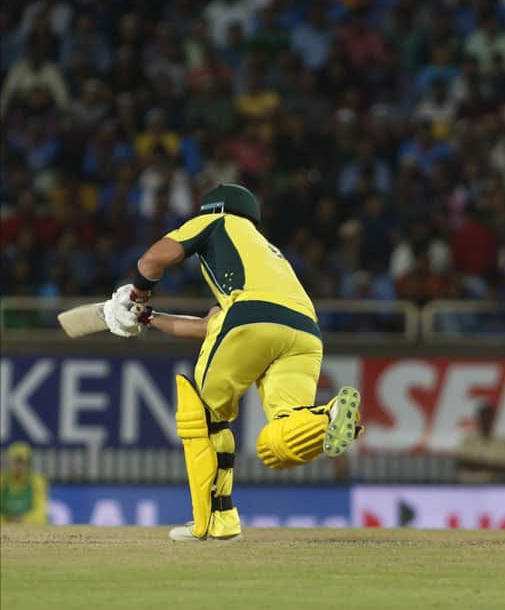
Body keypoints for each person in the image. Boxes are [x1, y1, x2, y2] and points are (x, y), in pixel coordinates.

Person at [101, 183, 363, 541]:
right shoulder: (268, 254)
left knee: (203, 416)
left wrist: (137, 293)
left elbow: (151, 260)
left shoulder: (216, 221)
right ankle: (327, 417)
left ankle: (210, 521)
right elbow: (211, 327)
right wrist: (147, 317)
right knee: (276, 445)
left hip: (251, 319)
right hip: (305, 333)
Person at [456, 405, 505, 484]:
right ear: (479, 420)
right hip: (468, 486)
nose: (486, 421)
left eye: (489, 419)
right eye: (484, 418)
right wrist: (491, 466)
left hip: (495, 487)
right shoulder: (468, 441)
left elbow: (504, 468)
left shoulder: (503, 442)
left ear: (493, 420)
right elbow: (462, 463)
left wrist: (477, 464)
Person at [0, 442, 49, 524]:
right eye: (15, 461)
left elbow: (41, 512)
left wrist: (24, 520)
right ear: (9, 461)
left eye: (22, 462)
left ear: (27, 463)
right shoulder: (2, 480)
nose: (18, 466)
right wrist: (7, 521)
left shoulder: (37, 481)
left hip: (29, 528)